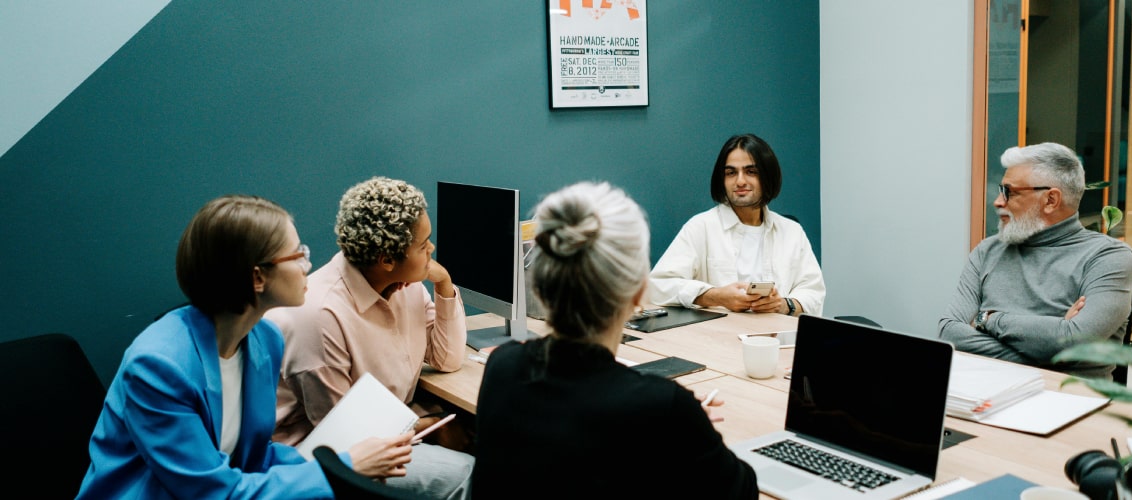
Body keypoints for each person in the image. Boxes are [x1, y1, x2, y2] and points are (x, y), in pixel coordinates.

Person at [77, 195, 413, 499]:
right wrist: (344, 468)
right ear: (257, 277)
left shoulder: (265, 339)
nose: (307, 267)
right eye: (298, 255)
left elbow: (255, 456)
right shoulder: (158, 366)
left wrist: (343, 461)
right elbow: (213, 493)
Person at [471, 181, 758, 499]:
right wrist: (689, 427)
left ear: (539, 286)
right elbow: (743, 491)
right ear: (639, 293)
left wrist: (677, 422)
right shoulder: (665, 408)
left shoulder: (502, 366)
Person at [266, 177, 473, 499]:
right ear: (387, 260)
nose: (431, 249)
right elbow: (343, 434)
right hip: (323, 457)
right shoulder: (320, 315)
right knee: (467, 471)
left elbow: (447, 359)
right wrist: (428, 426)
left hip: (389, 428)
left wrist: (444, 283)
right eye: (423, 245)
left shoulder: (405, 286)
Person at [939, 143, 1132, 379]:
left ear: (1051, 200)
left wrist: (988, 319)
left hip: (1069, 397)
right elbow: (950, 332)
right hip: (982, 390)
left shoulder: (1108, 257)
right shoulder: (988, 250)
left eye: (1009, 192)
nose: (998, 202)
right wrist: (1051, 347)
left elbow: (1076, 342)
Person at [648, 133, 826, 316]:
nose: (740, 181)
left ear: (768, 176)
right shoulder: (701, 227)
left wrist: (782, 305)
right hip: (719, 332)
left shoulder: (792, 231)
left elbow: (814, 292)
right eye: (731, 173)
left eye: (751, 172)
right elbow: (659, 285)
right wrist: (716, 296)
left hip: (781, 333)